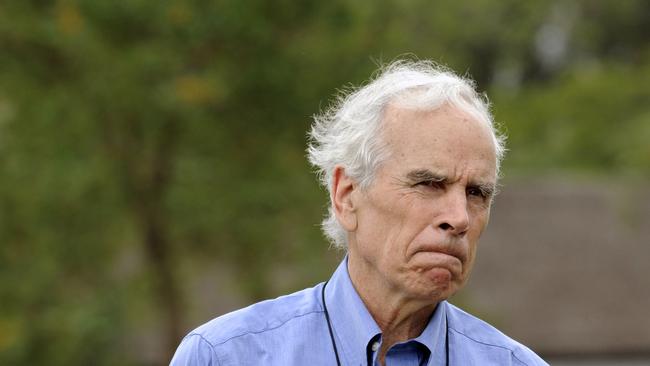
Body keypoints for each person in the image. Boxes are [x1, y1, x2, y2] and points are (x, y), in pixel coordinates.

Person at [170, 60, 548, 365]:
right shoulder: (225, 356)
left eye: (476, 193)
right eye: (429, 184)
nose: (460, 217)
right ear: (346, 195)